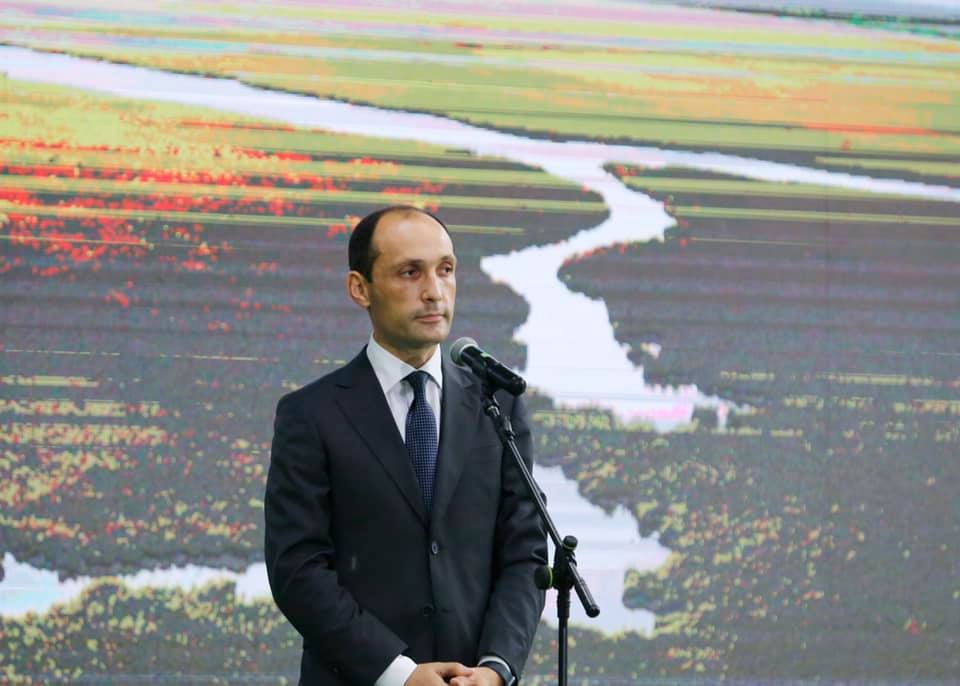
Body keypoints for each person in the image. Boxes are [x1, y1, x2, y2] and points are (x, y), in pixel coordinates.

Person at [264, 205, 547, 686]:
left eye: (446, 270)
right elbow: (298, 569)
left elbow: (525, 553)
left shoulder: (496, 403)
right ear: (360, 288)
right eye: (410, 272)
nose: (434, 290)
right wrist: (399, 673)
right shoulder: (310, 415)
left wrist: (497, 668)